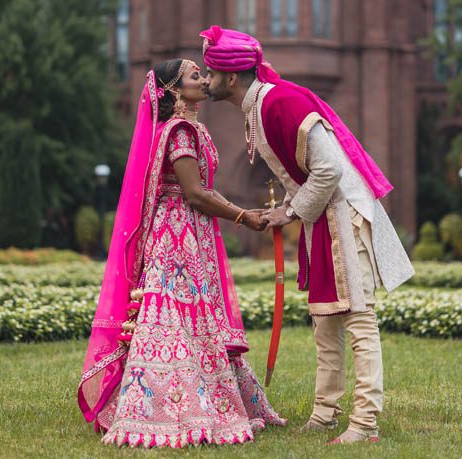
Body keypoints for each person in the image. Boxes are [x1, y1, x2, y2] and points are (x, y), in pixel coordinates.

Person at [201, 26, 413, 445]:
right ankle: (324, 413)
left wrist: (289, 213)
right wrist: (294, 213)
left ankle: (365, 423)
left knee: (357, 320)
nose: (205, 81)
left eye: (209, 73)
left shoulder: (279, 101)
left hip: (343, 213)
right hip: (323, 217)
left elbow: (330, 168)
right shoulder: (261, 104)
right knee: (325, 321)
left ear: (229, 77)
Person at [78, 58, 285, 448]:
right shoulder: (181, 132)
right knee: (174, 315)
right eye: (195, 77)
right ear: (174, 91)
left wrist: (246, 213)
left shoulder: (191, 130)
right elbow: (193, 193)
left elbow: (205, 191)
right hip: (177, 237)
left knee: (195, 315)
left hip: (193, 232)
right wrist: (242, 215)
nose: (205, 81)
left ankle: (201, 395)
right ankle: (167, 406)